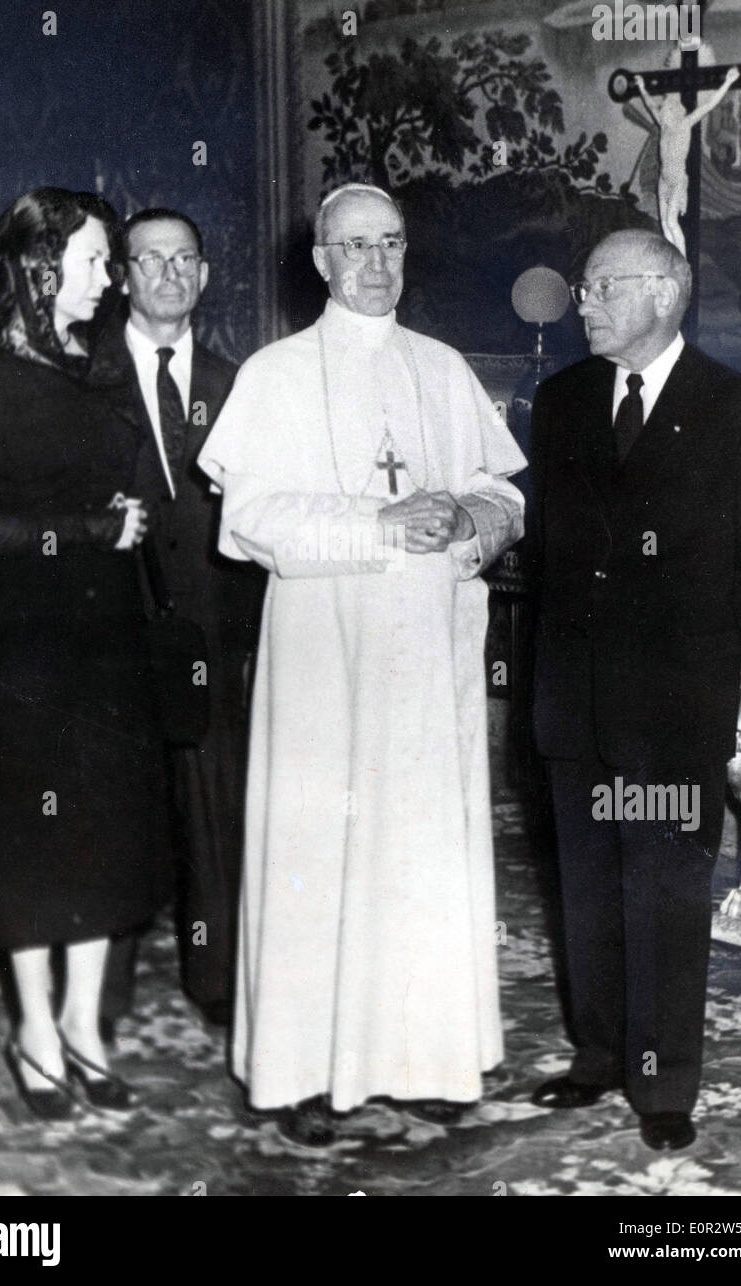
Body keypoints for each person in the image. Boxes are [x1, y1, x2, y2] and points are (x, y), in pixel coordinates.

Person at [199, 183, 526, 1146]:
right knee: (316, 854)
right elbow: (249, 521)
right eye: (355, 247)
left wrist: (471, 518)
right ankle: (304, 1071)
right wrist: (377, 521)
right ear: (321, 261)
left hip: (428, 649)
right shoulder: (276, 374)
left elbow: (501, 493)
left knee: (423, 849)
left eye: (390, 244)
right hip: (322, 654)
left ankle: (425, 1058)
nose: (376, 264)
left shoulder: (443, 367)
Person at [528, 228, 741, 1151]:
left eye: (602, 286)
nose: (583, 302)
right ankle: (597, 1056)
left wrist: (695, 656)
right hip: (574, 697)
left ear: (666, 293)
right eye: (584, 286)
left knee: (667, 894)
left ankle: (663, 1083)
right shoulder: (559, 401)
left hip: (675, 699)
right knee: (588, 888)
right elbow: (549, 549)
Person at [0, 188, 169, 1119]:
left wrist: (133, 515)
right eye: (93, 263)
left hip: (110, 634)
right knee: (38, 842)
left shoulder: (101, 367)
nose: (109, 279)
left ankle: (83, 1027)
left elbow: (143, 486)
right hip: (29, 644)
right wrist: (88, 528)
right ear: (39, 271)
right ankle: (33, 1031)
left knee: (105, 835)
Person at [94, 209, 264, 1034]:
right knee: (113, 804)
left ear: (203, 275)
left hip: (212, 623)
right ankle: (102, 990)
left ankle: (218, 982)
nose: (167, 275)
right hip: (109, 623)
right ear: (122, 276)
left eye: (183, 260)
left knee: (214, 801)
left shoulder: (245, 385)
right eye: (148, 260)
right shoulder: (81, 382)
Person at [633, 67, 739, 255]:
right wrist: (641, 87)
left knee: (673, 223)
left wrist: (728, 82)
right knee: (664, 223)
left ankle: (682, 261)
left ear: (674, 111)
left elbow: (708, 106)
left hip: (677, 181)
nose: (662, 110)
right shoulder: (664, 125)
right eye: (663, 109)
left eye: (665, 108)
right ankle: (672, 259)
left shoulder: (684, 124)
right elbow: (650, 105)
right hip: (663, 181)